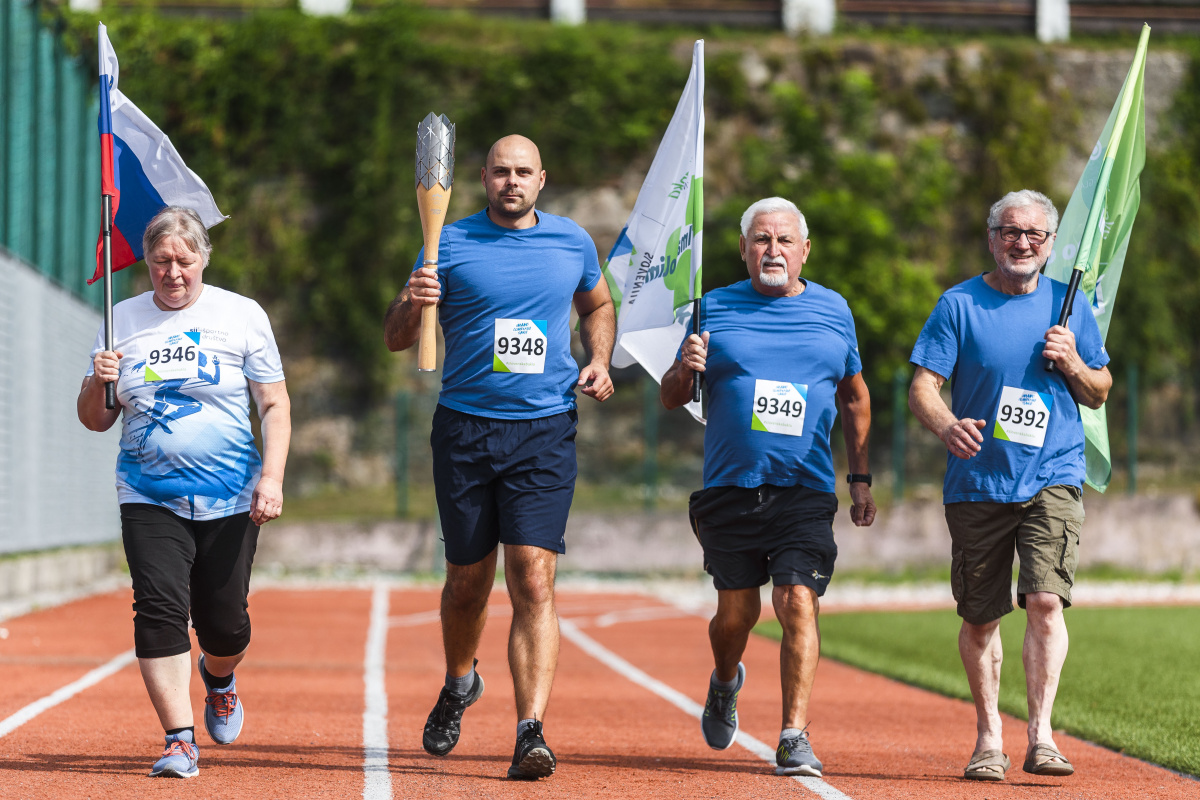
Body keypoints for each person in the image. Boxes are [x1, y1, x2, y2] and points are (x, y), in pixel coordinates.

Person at [383, 134, 615, 780]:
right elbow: (396, 337)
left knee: (533, 578)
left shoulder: (571, 242)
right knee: (467, 582)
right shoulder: (446, 242)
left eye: (523, 172)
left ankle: (529, 730)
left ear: (542, 179)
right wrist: (413, 301)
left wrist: (598, 358)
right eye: (501, 172)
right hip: (465, 430)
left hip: (544, 430)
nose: (512, 181)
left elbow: (597, 304)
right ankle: (460, 681)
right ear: (483, 178)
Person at [660, 196, 876, 778]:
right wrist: (685, 366)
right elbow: (671, 395)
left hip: (804, 488)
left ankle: (793, 735)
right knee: (737, 616)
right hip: (731, 486)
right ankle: (724, 680)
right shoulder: (711, 307)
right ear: (743, 249)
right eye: (761, 239)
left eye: (784, 240)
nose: (772, 250)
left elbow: (855, 397)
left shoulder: (834, 310)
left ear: (804, 250)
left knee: (796, 601)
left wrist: (859, 480)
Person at [78, 206, 291, 779]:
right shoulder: (121, 319)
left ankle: (219, 678)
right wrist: (97, 381)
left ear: (203, 258)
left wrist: (271, 478)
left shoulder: (241, 315)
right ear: (146, 263)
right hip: (147, 493)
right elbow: (95, 420)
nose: (172, 272)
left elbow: (274, 403)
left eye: (183, 260)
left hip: (230, 495)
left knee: (225, 625)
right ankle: (178, 739)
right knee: (157, 608)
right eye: (160, 261)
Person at [908, 190, 1111, 781]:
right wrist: (947, 425)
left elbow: (1099, 390)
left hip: (1053, 473)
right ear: (992, 237)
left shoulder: (1069, 305)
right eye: (1010, 232)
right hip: (978, 480)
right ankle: (988, 737)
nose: (1022, 243)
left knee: (1045, 600)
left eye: (1033, 234)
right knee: (980, 618)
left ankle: (1041, 735)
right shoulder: (958, 305)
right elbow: (922, 387)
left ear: (1050, 244)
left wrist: (1072, 362)